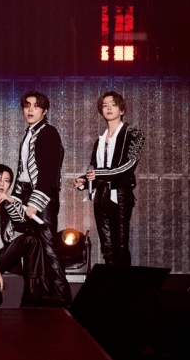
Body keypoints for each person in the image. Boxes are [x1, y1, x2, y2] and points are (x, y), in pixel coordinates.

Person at [0, 164, 70, 307]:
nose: (2, 184)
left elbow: (24, 225)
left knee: (31, 239)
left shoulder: (6, 205)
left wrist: (11, 202)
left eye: (7, 180)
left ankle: (32, 293)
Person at [6, 90, 71, 306]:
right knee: (33, 248)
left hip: (43, 197)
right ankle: (34, 294)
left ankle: (62, 297)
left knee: (49, 246)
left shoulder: (48, 132)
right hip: (26, 194)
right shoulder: (29, 133)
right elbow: (23, 172)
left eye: (36, 106)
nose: (30, 110)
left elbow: (48, 172)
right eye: (27, 106)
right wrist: (15, 198)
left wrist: (34, 202)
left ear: (45, 110)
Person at [73, 91, 145, 266]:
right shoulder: (99, 141)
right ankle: (111, 283)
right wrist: (84, 181)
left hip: (119, 194)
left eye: (113, 104)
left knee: (120, 247)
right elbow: (95, 168)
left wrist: (99, 174)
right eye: (105, 106)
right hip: (101, 197)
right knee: (107, 249)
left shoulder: (134, 134)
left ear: (122, 109)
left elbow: (129, 166)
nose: (109, 108)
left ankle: (124, 283)